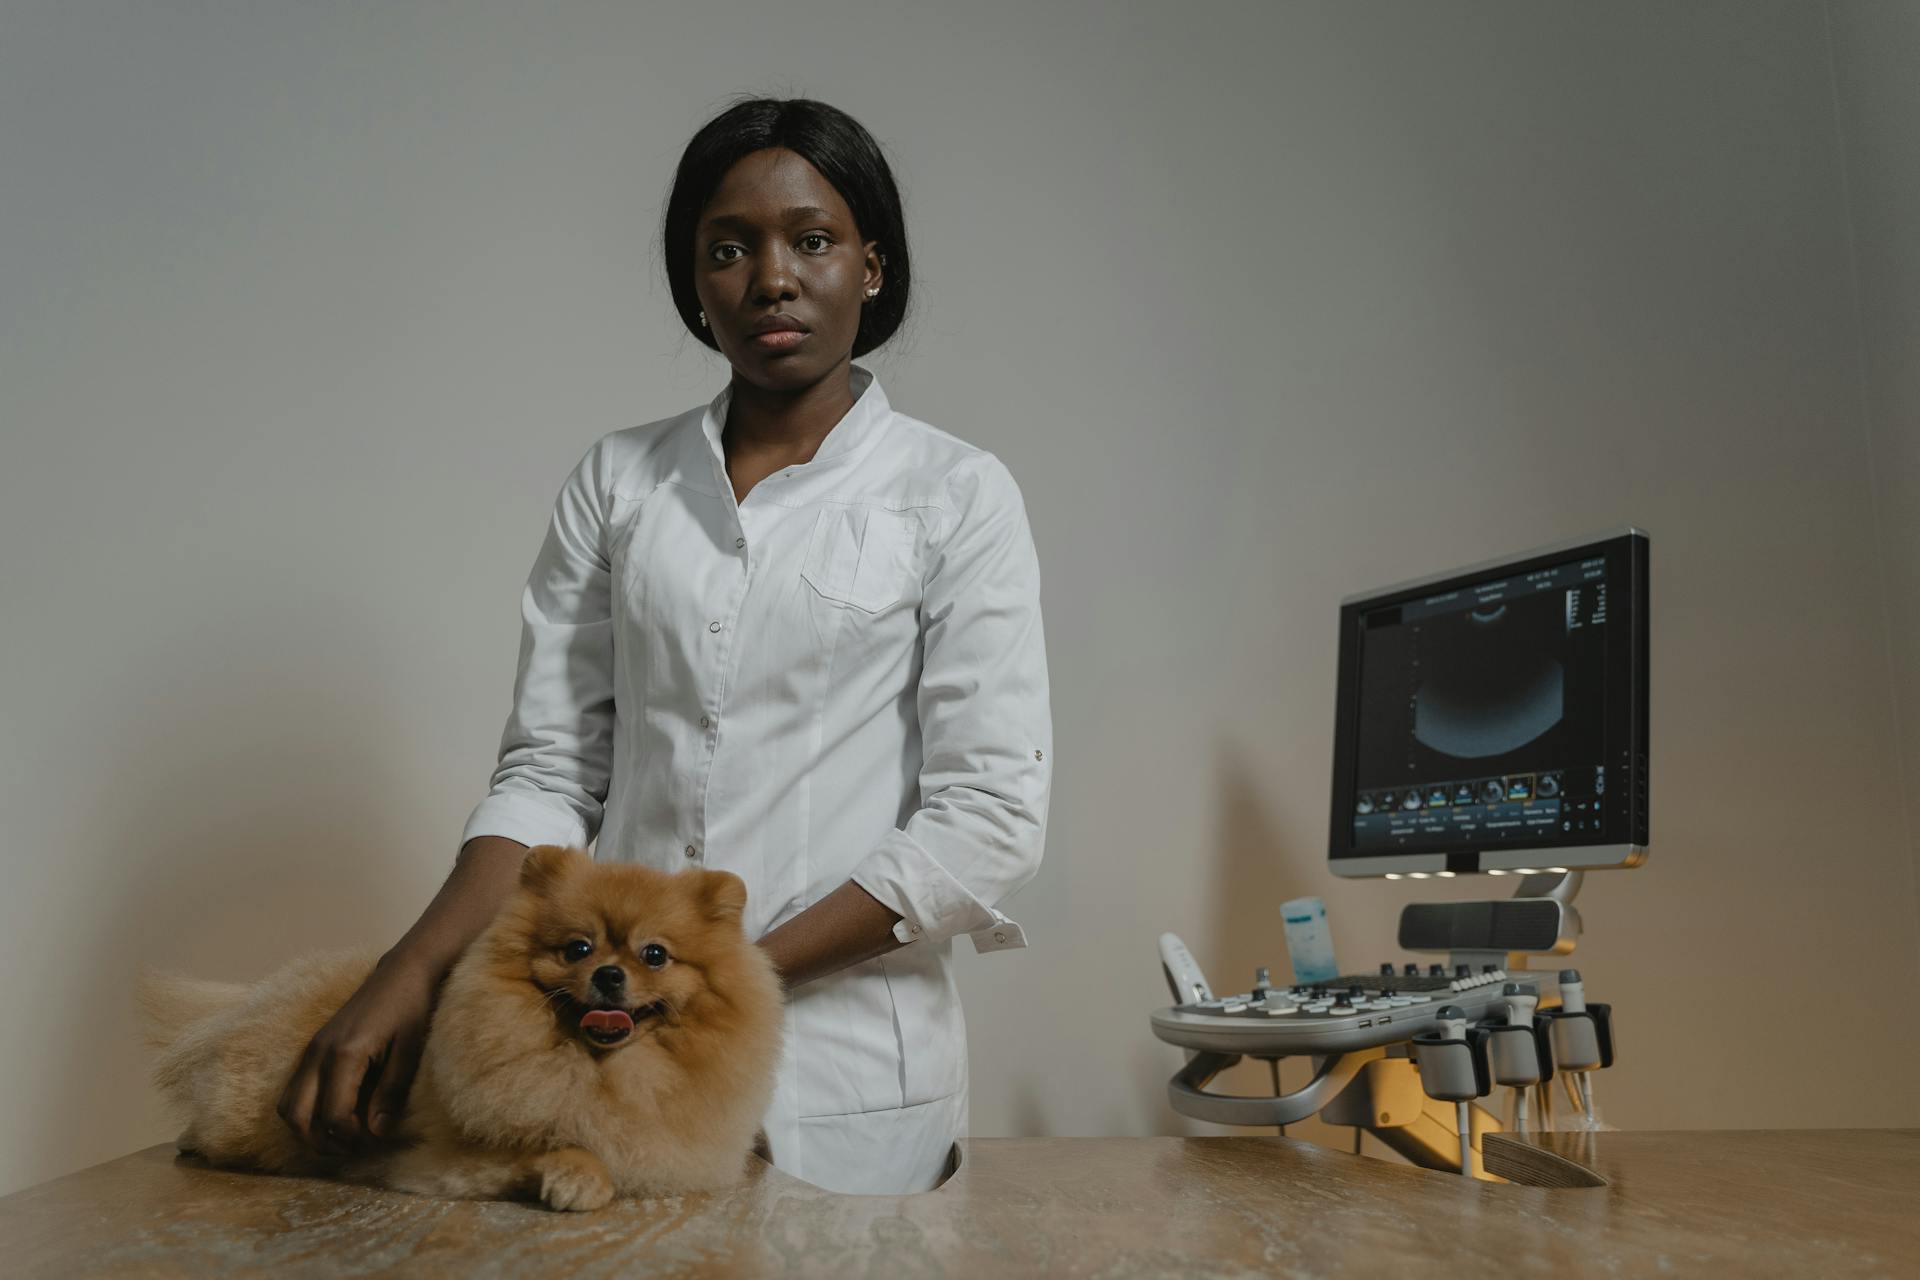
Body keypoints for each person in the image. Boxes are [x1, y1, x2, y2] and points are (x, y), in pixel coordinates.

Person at [275, 96, 1052, 1195]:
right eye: (728, 248)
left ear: (871, 266)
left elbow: (987, 819)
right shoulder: (620, 482)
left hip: (846, 1070)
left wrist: (721, 978)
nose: (770, 277)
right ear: (696, 283)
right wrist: (411, 969)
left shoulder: (955, 493)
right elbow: (551, 771)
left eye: (812, 240)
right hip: (600, 1068)